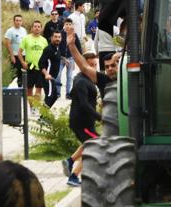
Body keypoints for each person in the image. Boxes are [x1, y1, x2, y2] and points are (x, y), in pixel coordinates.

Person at [62, 30, 118, 186]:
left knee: (91, 145)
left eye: (113, 65)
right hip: (106, 122)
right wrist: (72, 46)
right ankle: (74, 171)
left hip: (118, 120)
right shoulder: (102, 80)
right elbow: (83, 65)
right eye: (107, 67)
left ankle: (71, 164)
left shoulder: (128, 78)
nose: (110, 69)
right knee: (94, 146)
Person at [21, 20, 48, 107]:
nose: (36, 28)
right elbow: (19, 52)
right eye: (35, 26)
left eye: (38, 27)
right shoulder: (26, 38)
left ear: (41, 29)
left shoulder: (44, 40)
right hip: (30, 67)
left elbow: (47, 54)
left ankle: (36, 107)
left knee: (39, 89)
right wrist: (23, 62)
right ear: (32, 28)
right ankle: (31, 106)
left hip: (40, 68)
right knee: (29, 89)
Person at [39, 29, 65, 106]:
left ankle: (45, 115)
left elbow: (53, 58)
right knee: (49, 96)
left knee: (54, 96)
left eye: (59, 37)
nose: (57, 39)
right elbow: (41, 63)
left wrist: (63, 59)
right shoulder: (49, 49)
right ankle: (43, 117)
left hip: (52, 78)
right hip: (48, 78)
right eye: (55, 37)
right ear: (51, 38)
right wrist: (46, 74)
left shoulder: (56, 48)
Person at [4, 14, 28, 85]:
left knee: (22, 74)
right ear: (14, 21)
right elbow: (7, 44)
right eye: (17, 20)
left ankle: (21, 89)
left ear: (22, 21)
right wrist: (12, 56)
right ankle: (11, 89)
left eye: (20, 20)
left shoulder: (24, 30)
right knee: (14, 74)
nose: (18, 22)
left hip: (23, 55)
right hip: (15, 55)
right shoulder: (10, 31)